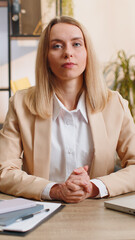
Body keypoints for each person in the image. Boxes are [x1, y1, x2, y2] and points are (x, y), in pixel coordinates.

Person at [0, 16, 135, 204]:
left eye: (77, 44)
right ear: (45, 56)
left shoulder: (114, 104)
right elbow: (4, 171)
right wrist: (55, 190)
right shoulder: (21, 104)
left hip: (99, 215)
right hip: (40, 213)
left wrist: (94, 187)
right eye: (57, 46)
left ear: (87, 52)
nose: (68, 53)